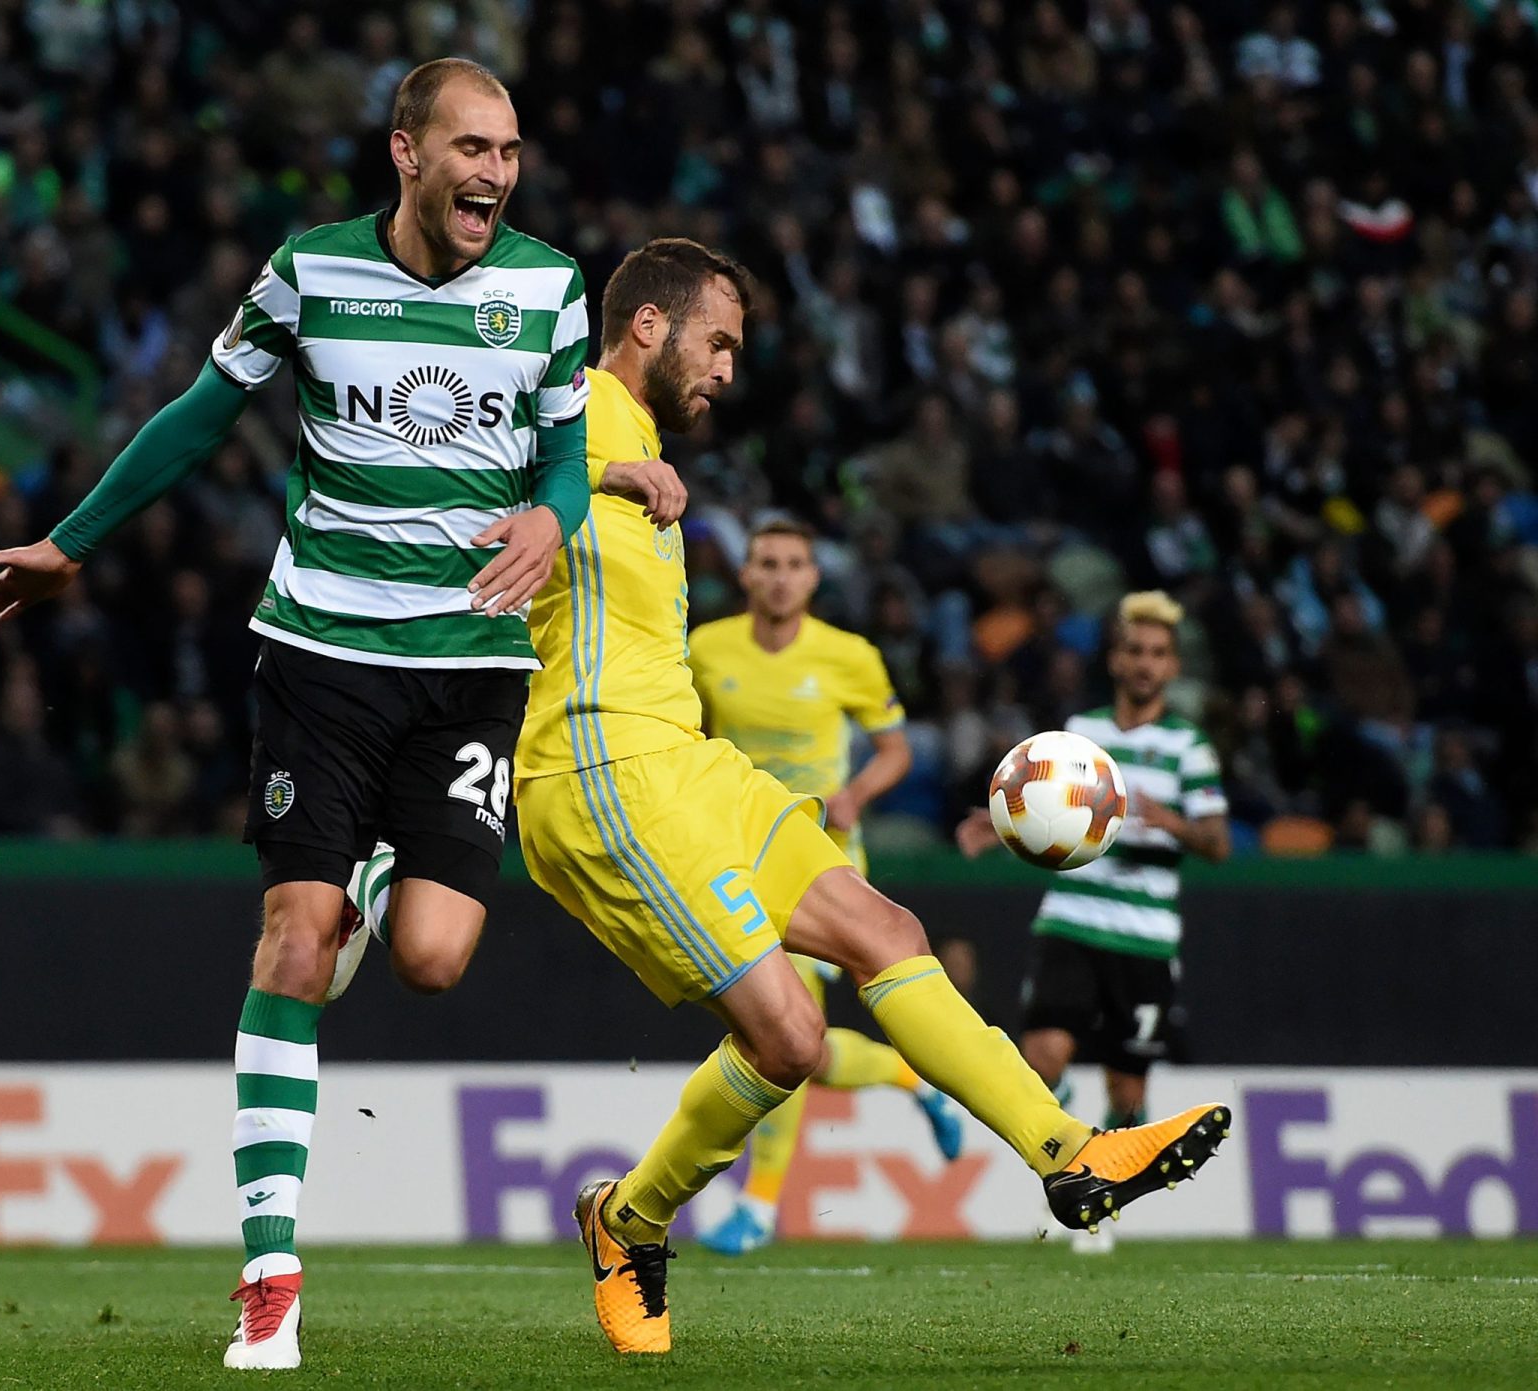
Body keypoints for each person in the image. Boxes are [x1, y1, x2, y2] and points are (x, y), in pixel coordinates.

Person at [0, 58, 638, 1372]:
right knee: (294, 938)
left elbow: (561, 446)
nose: (496, 173)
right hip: (318, 655)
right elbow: (205, 414)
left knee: (434, 954)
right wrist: (71, 540)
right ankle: (270, 1273)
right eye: (472, 148)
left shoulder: (548, 288)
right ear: (405, 151)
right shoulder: (309, 272)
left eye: (509, 151)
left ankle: (387, 872)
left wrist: (558, 509)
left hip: (471, 666)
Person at [514, 239, 1229, 1356]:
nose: (729, 370)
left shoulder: (642, 435)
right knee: (792, 1038)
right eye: (719, 342)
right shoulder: (579, 408)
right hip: (601, 770)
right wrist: (600, 474)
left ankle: (1068, 1150)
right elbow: (470, 459)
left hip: (694, 763)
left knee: (884, 928)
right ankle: (629, 1218)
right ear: (647, 326)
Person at [687, 519, 963, 1258]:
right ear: (745, 575)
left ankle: (760, 1203)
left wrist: (855, 793)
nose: (780, 576)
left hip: (822, 862)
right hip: (734, 858)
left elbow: (897, 748)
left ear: (814, 578)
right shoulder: (707, 648)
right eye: (766, 563)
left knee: (779, 1029)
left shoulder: (850, 656)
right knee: (786, 1040)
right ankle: (915, 1079)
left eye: (795, 564)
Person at [958, 590, 1231, 1253]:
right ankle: (1070, 1169)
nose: (1145, 663)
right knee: (1044, 1055)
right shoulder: (1082, 732)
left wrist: (1173, 823)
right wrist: (993, 827)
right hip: (1073, 921)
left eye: (1158, 654)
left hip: (1145, 938)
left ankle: (1104, 1200)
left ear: (1172, 666)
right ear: (1115, 659)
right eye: (1134, 650)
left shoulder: (1188, 746)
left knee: (1128, 1088)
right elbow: (1042, 803)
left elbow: (1219, 843)